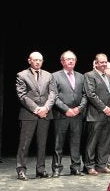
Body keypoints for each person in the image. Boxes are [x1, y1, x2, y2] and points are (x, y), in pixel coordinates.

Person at [15, 51, 57, 180]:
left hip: (45, 114)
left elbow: (53, 94)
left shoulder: (49, 75)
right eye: (35, 60)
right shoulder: (22, 75)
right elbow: (22, 95)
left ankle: (41, 169)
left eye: (40, 60)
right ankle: (21, 170)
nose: (38, 62)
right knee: (24, 144)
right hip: (29, 114)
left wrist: (46, 107)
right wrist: (36, 109)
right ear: (29, 61)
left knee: (42, 143)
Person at [51, 50, 86, 177]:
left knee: (76, 142)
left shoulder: (81, 76)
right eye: (68, 59)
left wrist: (79, 108)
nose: (71, 61)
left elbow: (85, 95)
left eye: (73, 59)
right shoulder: (55, 76)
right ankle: (56, 168)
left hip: (77, 114)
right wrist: (66, 109)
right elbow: (54, 96)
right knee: (58, 143)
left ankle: (76, 167)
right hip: (61, 114)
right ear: (62, 61)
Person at [83, 53, 110, 176]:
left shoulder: (109, 77)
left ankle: (101, 165)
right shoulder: (89, 75)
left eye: (105, 62)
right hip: (95, 114)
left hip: (108, 115)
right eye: (101, 62)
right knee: (92, 142)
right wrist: (104, 108)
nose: (104, 64)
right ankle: (89, 166)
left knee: (105, 141)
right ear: (96, 63)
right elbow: (91, 94)